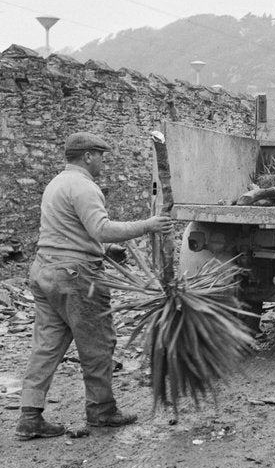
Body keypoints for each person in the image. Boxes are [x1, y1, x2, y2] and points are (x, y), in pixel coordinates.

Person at [16, 132, 174, 440]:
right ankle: (101, 411)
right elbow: (101, 229)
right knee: (98, 344)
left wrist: (102, 252)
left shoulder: (56, 184)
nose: (103, 161)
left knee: (47, 347)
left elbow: (69, 231)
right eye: (101, 155)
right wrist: (149, 224)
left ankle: (29, 416)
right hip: (76, 277)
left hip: (45, 270)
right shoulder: (84, 186)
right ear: (88, 156)